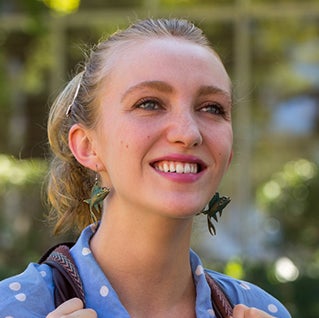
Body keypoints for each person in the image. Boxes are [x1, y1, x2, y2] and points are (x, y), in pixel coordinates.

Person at [0, 18, 291, 318]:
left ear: (227, 154)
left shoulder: (265, 310)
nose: (189, 133)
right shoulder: (13, 307)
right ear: (87, 146)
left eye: (212, 108)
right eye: (149, 103)